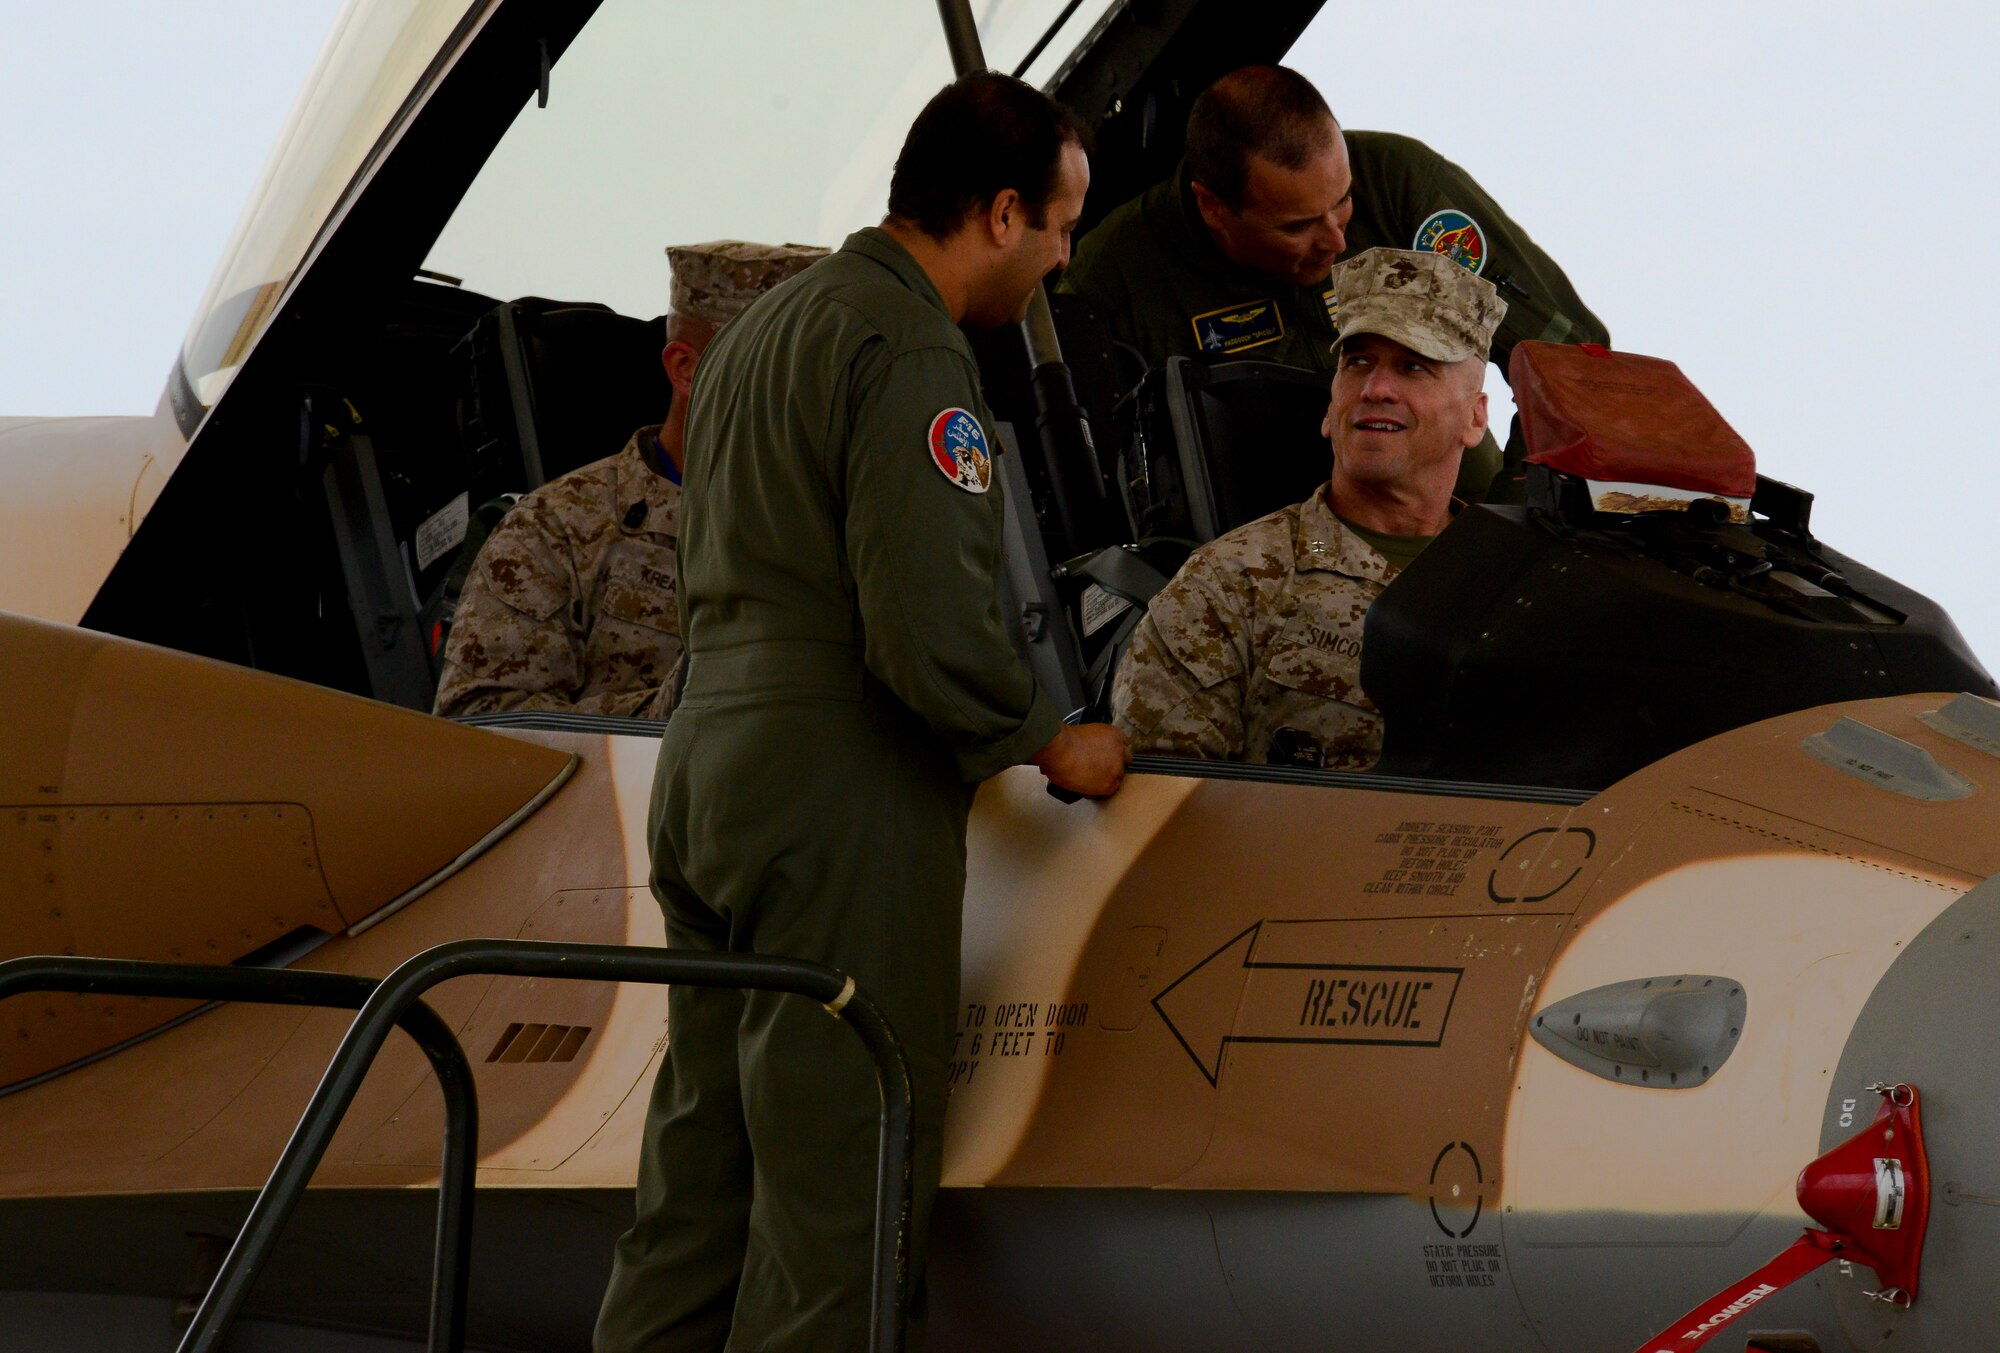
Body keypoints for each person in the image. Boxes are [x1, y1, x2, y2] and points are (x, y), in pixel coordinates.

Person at [595, 73, 1130, 1352]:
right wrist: (1050, 734)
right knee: (841, 1199)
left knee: (696, 1180)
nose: (1060, 259)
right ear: (1000, 213)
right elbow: (923, 622)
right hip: (836, 792)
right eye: (1057, 227)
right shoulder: (908, 348)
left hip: (709, 771)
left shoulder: (767, 331)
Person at [1060, 64, 1601, 500]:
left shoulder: (1397, 184)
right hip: (1279, 577)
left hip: (1463, 523)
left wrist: (1518, 505)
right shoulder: (1116, 275)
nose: (1337, 241)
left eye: (1342, 202)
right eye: (1298, 226)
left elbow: (1570, 353)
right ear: (1214, 207)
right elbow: (1091, 479)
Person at [1111, 247, 1502, 768]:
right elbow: (1161, 814)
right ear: (1330, 406)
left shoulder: (1521, 586)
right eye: (1357, 362)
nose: (1376, 388)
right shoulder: (1228, 587)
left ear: (1475, 419)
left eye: (1413, 367)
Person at [431, 241, 826, 719]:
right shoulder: (558, 530)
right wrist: (688, 705)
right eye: (785, 362)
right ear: (687, 369)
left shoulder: (846, 520)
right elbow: (484, 733)